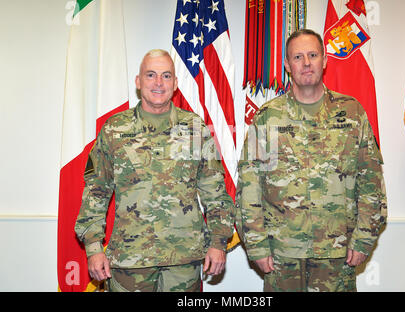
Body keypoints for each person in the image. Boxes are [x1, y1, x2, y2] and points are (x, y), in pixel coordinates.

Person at [236, 29, 387, 292]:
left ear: (325, 60)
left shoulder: (352, 112)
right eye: (298, 56)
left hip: (337, 254)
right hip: (283, 254)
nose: (306, 63)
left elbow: (371, 182)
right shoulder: (267, 117)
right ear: (287, 65)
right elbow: (249, 187)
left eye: (313, 55)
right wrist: (257, 244)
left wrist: (364, 240)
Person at [75, 49, 234, 292]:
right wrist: (94, 248)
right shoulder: (115, 129)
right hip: (130, 261)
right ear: (138, 82)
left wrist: (218, 242)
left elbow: (215, 192)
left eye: (166, 76)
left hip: (183, 260)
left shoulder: (195, 129)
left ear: (176, 83)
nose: (158, 83)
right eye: (151, 75)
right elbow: (96, 192)